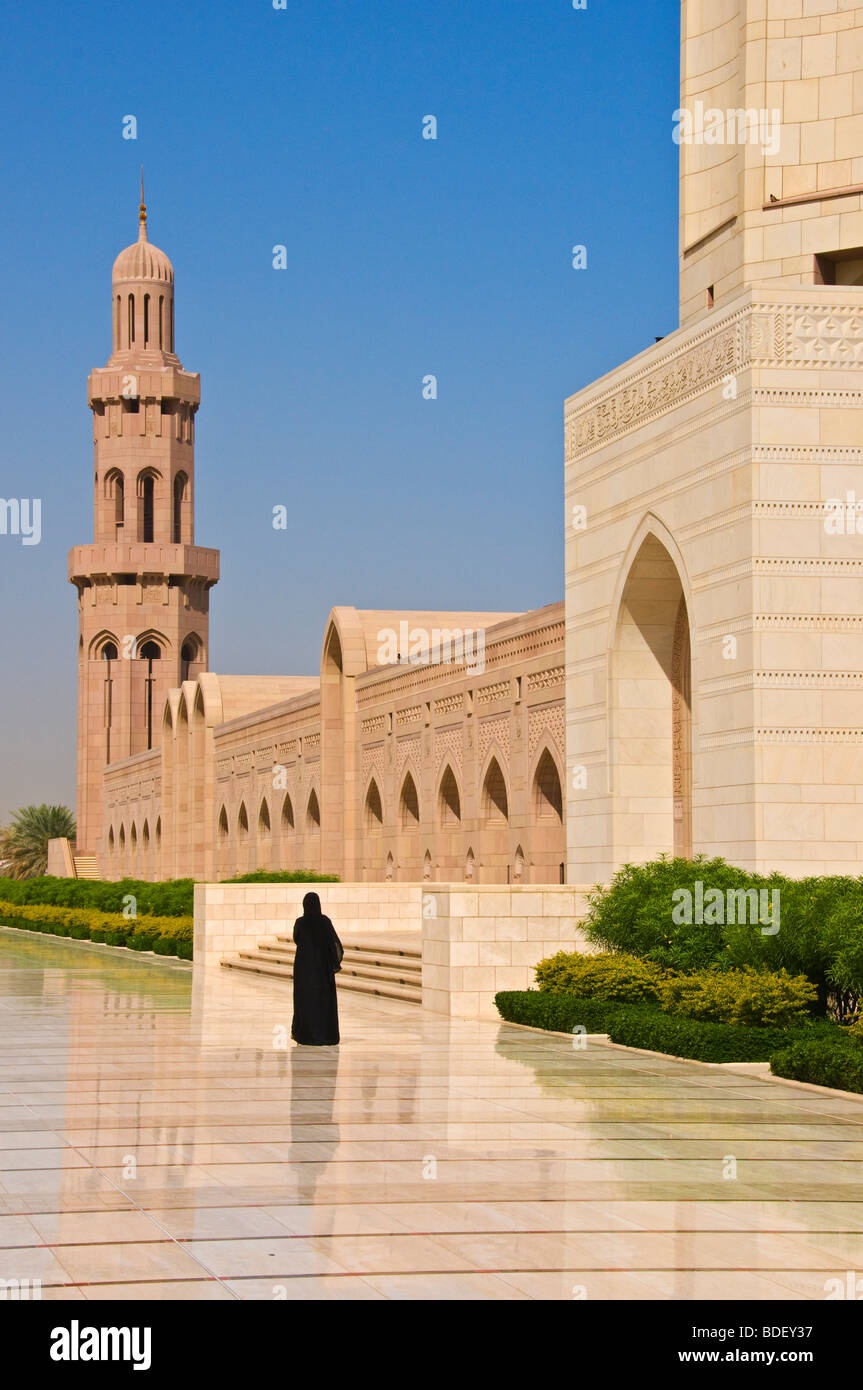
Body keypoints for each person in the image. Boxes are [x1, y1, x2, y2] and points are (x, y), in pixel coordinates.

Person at [291, 891, 344, 1046]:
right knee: (323, 1001)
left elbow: (297, 939)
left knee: (305, 1001)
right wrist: (333, 962)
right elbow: (335, 944)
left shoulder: (300, 922)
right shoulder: (325, 921)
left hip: (304, 970)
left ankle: (305, 1033)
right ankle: (326, 1034)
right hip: (322, 970)